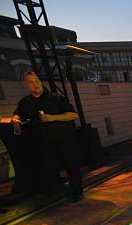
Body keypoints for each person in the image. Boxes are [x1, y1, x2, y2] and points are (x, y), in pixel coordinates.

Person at [12, 71, 84, 202]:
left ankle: (77, 192)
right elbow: (18, 114)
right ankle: (57, 191)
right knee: (50, 167)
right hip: (44, 142)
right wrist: (15, 119)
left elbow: (73, 115)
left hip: (64, 140)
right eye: (31, 82)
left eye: (37, 81)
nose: (35, 84)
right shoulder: (26, 102)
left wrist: (52, 118)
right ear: (25, 85)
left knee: (71, 166)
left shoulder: (56, 98)